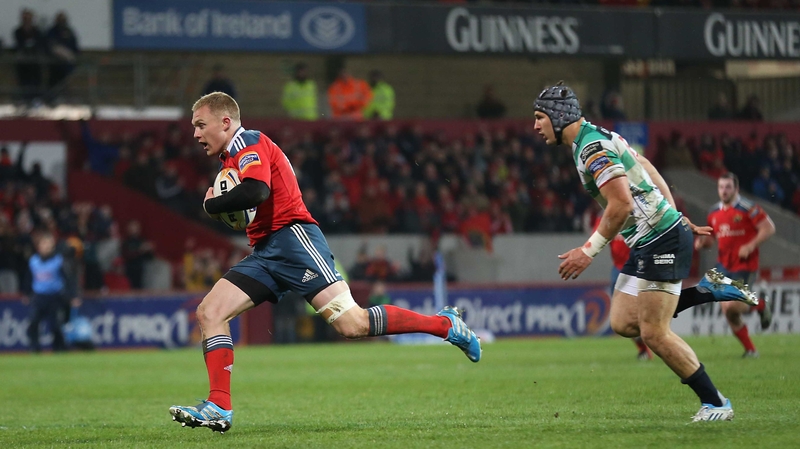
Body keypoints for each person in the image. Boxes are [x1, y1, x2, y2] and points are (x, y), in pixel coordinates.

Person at [169, 92, 481, 433]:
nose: (196, 134)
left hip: (294, 241)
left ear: (225, 122)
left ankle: (445, 325)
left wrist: (212, 206)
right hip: (265, 251)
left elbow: (257, 191)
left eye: (201, 125)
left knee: (354, 324)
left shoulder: (248, 141)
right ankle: (219, 407)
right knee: (210, 312)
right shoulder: (230, 159)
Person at [534, 81, 759, 422]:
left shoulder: (591, 149)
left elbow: (621, 205)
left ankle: (715, 403)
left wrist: (588, 250)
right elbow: (646, 165)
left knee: (654, 331)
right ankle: (708, 291)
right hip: (652, 237)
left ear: (558, 115)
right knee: (624, 322)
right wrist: (674, 213)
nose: (535, 126)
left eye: (539, 117)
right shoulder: (599, 137)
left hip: (660, 239)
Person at [695, 172, 775, 357]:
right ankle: (751, 350)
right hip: (724, 265)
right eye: (721, 187)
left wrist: (750, 245)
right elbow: (711, 238)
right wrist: (701, 243)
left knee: (731, 306)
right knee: (728, 311)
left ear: (736, 189)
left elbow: (769, 228)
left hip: (745, 265)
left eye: (728, 187)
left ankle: (761, 304)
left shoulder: (748, 208)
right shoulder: (714, 212)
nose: (724, 191)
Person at [592, 215, 652, 361]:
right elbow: (597, 238)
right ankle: (642, 348)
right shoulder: (605, 216)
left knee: (645, 312)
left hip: (641, 268)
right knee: (622, 316)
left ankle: (654, 342)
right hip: (618, 269)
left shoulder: (638, 213)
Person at [25, 232, 76, 353]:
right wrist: (27, 293)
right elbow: (28, 278)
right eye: (44, 244)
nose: (46, 247)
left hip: (54, 296)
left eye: (48, 245)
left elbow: (68, 279)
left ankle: (59, 348)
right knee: (33, 322)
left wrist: (72, 296)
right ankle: (34, 348)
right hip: (39, 296)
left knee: (55, 326)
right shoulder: (33, 261)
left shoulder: (58, 261)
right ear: (39, 246)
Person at [45, 11, 79, 102]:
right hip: (54, 63)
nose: (61, 22)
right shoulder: (52, 31)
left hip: (68, 64)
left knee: (68, 81)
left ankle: (68, 98)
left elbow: (75, 47)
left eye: (63, 20)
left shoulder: (69, 31)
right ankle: (53, 98)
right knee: (55, 82)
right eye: (60, 19)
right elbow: (50, 46)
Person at [13, 8, 45, 104]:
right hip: (23, 60)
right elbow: (20, 44)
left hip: (35, 60)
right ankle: (25, 98)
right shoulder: (18, 31)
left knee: (36, 79)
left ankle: (36, 98)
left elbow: (39, 43)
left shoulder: (37, 31)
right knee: (24, 80)